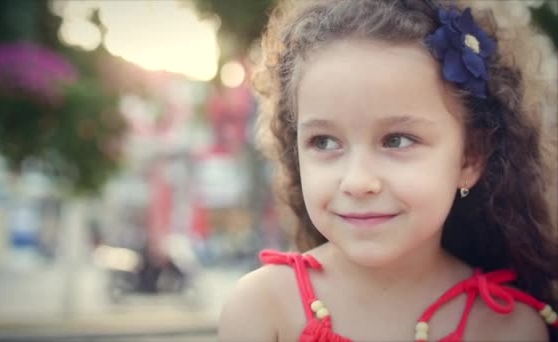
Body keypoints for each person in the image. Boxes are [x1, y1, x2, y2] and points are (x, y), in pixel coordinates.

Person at [218, 0, 558, 341]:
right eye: (323, 142)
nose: (358, 181)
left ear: (469, 158)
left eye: (396, 141)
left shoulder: (509, 328)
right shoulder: (263, 310)